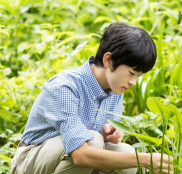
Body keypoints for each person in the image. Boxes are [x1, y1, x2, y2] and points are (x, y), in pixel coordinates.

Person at [11, 22, 172, 174]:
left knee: (125, 151)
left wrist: (109, 133)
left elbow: (102, 140)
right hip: (29, 162)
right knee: (92, 141)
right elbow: (81, 155)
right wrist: (144, 160)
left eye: (139, 76)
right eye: (131, 73)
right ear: (108, 60)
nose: (133, 82)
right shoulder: (65, 86)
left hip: (72, 158)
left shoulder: (115, 89)